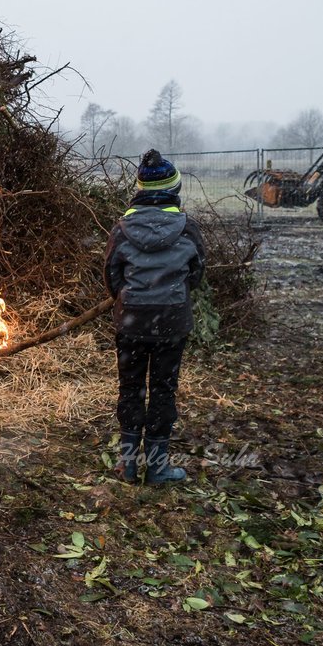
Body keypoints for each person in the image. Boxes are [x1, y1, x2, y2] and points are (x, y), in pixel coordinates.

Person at [104, 150, 206, 484]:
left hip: (132, 320)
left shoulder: (122, 229)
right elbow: (196, 274)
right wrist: (170, 295)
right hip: (172, 321)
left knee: (130, 388)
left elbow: (112, 276)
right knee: (164, 389)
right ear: (174, 190)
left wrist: (129, 300)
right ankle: (158, 468)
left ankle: (128, 465)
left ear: (140, 190)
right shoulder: (187, 228)